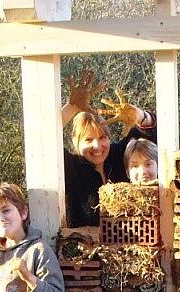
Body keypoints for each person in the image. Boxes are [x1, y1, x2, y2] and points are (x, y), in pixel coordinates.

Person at [62, 71, 157, 227]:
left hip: (129, 245)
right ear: (75, 141)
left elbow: (149, 132)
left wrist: (139, 115)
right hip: (84, 247)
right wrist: (71, 107)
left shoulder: (119, 155)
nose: (97, 146)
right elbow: (44, 141)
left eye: (102, 137)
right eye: (88, 139)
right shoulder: (70, 167)